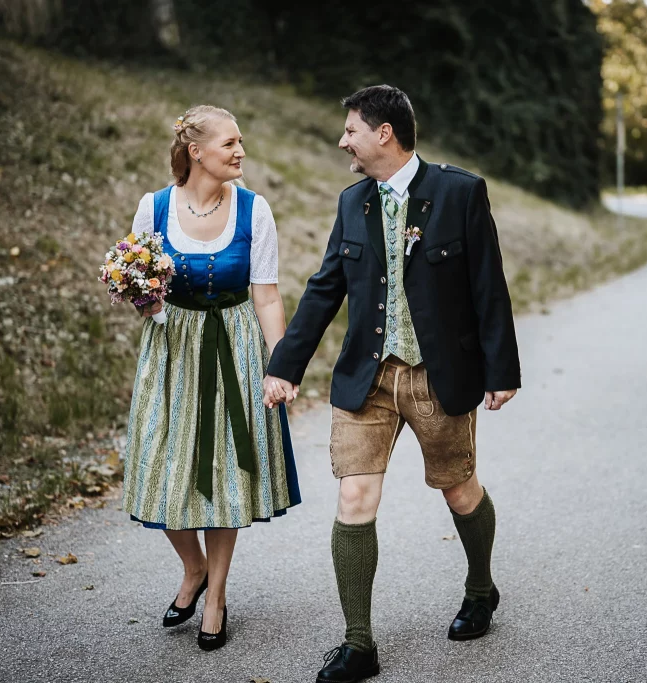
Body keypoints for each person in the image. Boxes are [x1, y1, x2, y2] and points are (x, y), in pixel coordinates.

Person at [263, 85, 520, 682]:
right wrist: (285, 364)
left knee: (459, 490)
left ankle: (481, 588)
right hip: (367, 377)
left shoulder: (459, 192)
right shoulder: (353, 202)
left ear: (384, 133)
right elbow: (326, 287)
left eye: (350, 129)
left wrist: (500, 370)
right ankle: (359, 644)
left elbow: (488, 285)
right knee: (354, 499)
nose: (342, 140)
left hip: (439, 376)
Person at [121, 105, 300, 652]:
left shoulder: (255, 210)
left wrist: (281, 365)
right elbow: (136, 285)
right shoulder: (154, 208)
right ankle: (193, 568)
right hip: (170, 353)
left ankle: (216, 595)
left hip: (234, 349)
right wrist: (142, 299)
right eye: (230, 143)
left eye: (241, 141)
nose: (240, 151)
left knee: (225, 475)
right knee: (163, 465)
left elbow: (266, 295)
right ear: (196, 151)